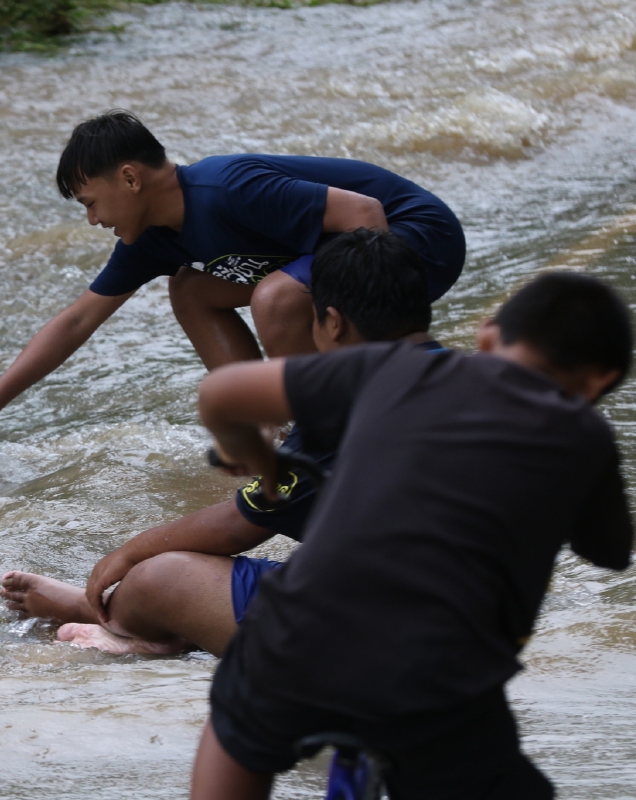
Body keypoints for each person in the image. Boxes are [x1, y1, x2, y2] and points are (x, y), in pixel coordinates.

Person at [191, 271, 633, 800]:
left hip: (294, 643)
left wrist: (262, 467)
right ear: (598, 381)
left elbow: (220, 394)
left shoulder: (389, 368)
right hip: (438, 684)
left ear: (488, 336)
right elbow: (609, 553)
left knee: (238, 730)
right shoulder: (584, 436)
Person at [0, 230, 445, 657]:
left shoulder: (343, 398)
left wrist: (126, 555)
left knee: (158, 576)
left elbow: (241, 524)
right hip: (478, 608)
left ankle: (120, 618)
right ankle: (158, 623)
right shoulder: (484, 380)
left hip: (377, 631)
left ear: (332, 322)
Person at [0, 110, 464, 457]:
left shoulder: (229, 188)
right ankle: (270, 424)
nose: (93, 220)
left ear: (130, 178)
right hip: (344, 254)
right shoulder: (151, 239)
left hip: (417, 238)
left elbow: (366, 212)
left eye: (90, 202)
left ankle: (319, 433)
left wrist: (364, 328)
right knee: (192, 290)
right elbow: (78, 319)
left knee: (278, 297)